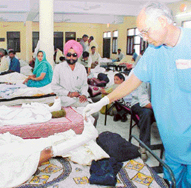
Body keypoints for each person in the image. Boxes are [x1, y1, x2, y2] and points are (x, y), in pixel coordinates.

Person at [84, 2, 191, 187]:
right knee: (172, 181)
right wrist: (104, 100)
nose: (144, 37)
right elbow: (133, 81)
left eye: (145, 31)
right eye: (141, 33)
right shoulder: (153, 52)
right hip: (171, 140)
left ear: (162, 21)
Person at [0, 116, 107, 188]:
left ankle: (82, 136)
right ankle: (85, 138)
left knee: (45, 141)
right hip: (6, 161)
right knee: (44, 152)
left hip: (6, 149)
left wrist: (3, 140)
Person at [51, 40, 99, 127]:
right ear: (65, 54)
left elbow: (84, 85)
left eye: (74, 55)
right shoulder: (58, 68)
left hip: (79, 99)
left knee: (95, 113)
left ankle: (92, 135)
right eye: (69, 55)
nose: (71, 57)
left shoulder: (81, 68)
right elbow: (54, 86)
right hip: (64, 99)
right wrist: (69, 93)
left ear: (78, 55)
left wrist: (84, 94)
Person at [131, 82, 155, 162]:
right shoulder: (143, 80)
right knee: (147, 113)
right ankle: (143, 146)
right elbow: (143, 102)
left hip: (152, 103)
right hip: (138, 103)